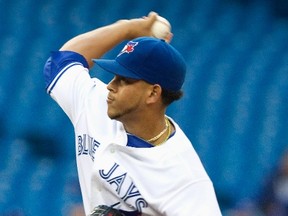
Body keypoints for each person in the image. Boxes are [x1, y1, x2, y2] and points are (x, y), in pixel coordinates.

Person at [44, 12, 221, 216]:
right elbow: (60, 63)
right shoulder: (96, 103)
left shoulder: (184, 178)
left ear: (153, 93)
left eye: (124, 80)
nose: (110, 86)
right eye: (114, 76)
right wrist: (127, 28)